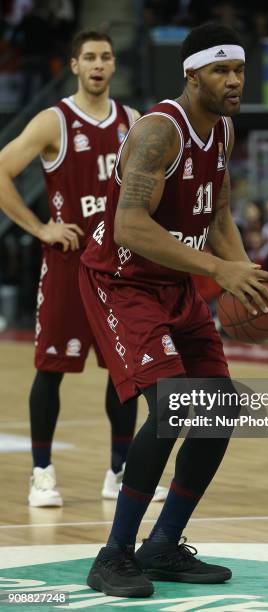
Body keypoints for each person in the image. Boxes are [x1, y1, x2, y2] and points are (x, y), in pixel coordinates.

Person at [79, 22, 268, 598]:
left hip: (179, 284)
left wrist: (245, 278)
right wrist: (219, 271)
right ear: (192, 74)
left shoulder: (222, 131)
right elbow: (130, 224)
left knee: (218, 409)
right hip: (123, 282)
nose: (234, 80)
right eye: (221, 70)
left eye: (239, 70)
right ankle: (113, 554)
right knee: (173, 407)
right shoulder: (156, 132)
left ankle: (164, 544)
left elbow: (216, 214)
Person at [0, 29, 167, 507]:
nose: (98, 64)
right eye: (89, 57)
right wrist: (40, 228)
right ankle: (41, 472)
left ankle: (118, 472)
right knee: (50, 369)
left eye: (106, 57)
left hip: (118, 267)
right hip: (69, 265)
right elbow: (2, 170)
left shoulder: (134, 122)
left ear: (114, 66)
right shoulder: (54, 121)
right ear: (74, 65)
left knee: (125, 372)